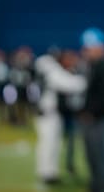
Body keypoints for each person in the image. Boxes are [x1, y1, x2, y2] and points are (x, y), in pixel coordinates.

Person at [34, 48, 87, 184]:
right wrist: (87, 80)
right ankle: (46, 173)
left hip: (51, 114)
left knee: (53, 145)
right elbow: (69, 84)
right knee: (48, 145)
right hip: (47, 114)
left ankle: (50, 172)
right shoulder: (52, 71)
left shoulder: (46, 70)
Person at [78, 27, 104, 192]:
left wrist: (92, 112)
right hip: (91, 118)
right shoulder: (93, 66)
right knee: (92, 158)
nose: (86, 51)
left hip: (98, 119)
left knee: (99, 158)